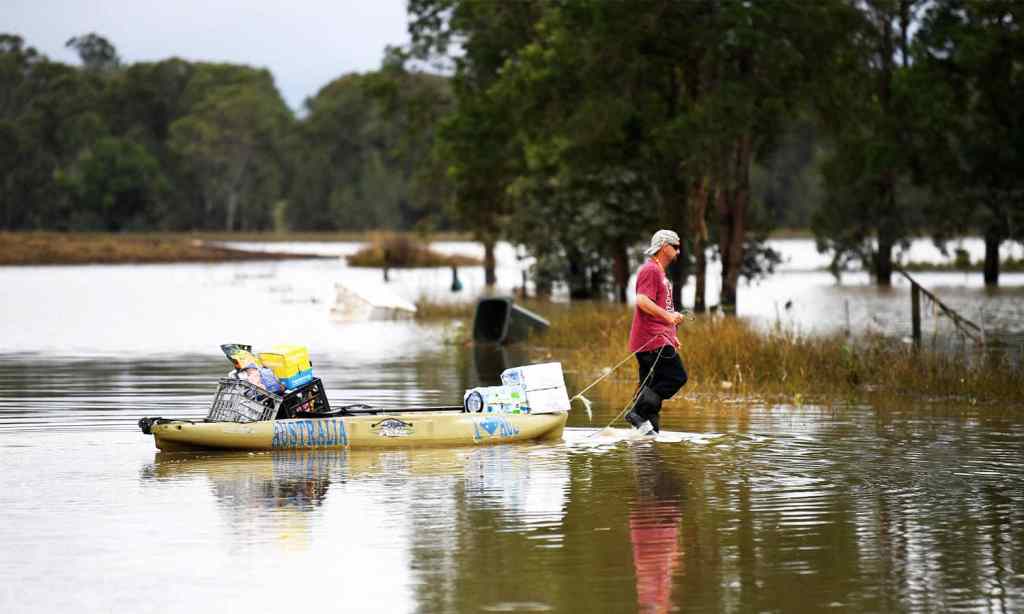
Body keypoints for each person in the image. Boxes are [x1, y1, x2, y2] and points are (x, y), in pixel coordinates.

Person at [626, 229, 689, 434]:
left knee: (651, 386)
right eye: (675, 247)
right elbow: (642, 301)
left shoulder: (660, 273)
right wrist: (669, 317)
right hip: (651, 341)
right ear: (664, 246)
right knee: (676, 377)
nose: (678, 251)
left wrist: (672, 334)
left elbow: (662, 308)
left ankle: (648, 437)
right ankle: (637, 412)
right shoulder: (650, 270)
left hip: (660, 339)